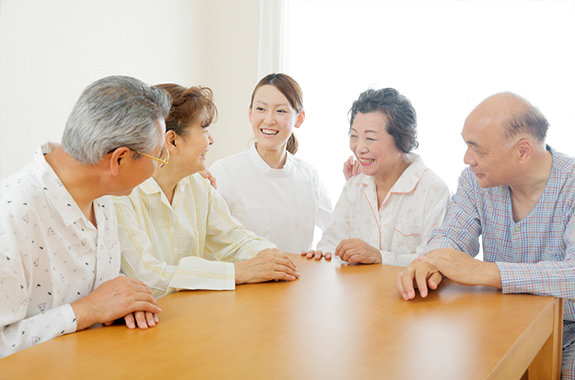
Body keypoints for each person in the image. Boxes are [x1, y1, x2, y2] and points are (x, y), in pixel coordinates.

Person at [394, 92, 575, 378]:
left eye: (479, 150)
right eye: (467, 145)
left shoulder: (571, 185)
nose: (468, 159)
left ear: (523, 151)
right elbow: (450, 236)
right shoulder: (474, 181)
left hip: (569, 333)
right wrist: (431, 263)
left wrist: (487, 273)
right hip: (500, 324)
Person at [0, 76, 170, 357]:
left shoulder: (102, 192)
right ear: (119, 159)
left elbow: (103, 295)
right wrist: (89, 310)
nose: (159, 167)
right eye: (158, 157)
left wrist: (123, 302)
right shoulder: (12, 215)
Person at [113, 84, 300, 299]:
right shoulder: (121, 195)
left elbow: (236, 239)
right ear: (172, 140)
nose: (211, 140)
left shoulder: (198, 185)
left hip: (194, 315)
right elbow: (147, 277)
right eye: (204, 129)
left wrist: (271, 259)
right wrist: (237, 272)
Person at [302, 88, 450, 266]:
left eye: (370, 138)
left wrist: (381, 257)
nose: (359, 148)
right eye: (354, 136)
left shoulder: (432, 191)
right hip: (356, 292)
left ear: (404, 141)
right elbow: (331, 241)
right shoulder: (354, 186)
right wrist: (322, 255)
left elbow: (435, 260)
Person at [209, 73, 332, 253]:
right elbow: (209, 241)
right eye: (261, 109)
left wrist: (322, 252)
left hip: (301, 279)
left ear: (299, 118)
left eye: (281, 111)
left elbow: (336, 232)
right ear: (250, 114)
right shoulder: (223, 172)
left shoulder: (309, 177)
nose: (269, 120)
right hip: (245, 280)